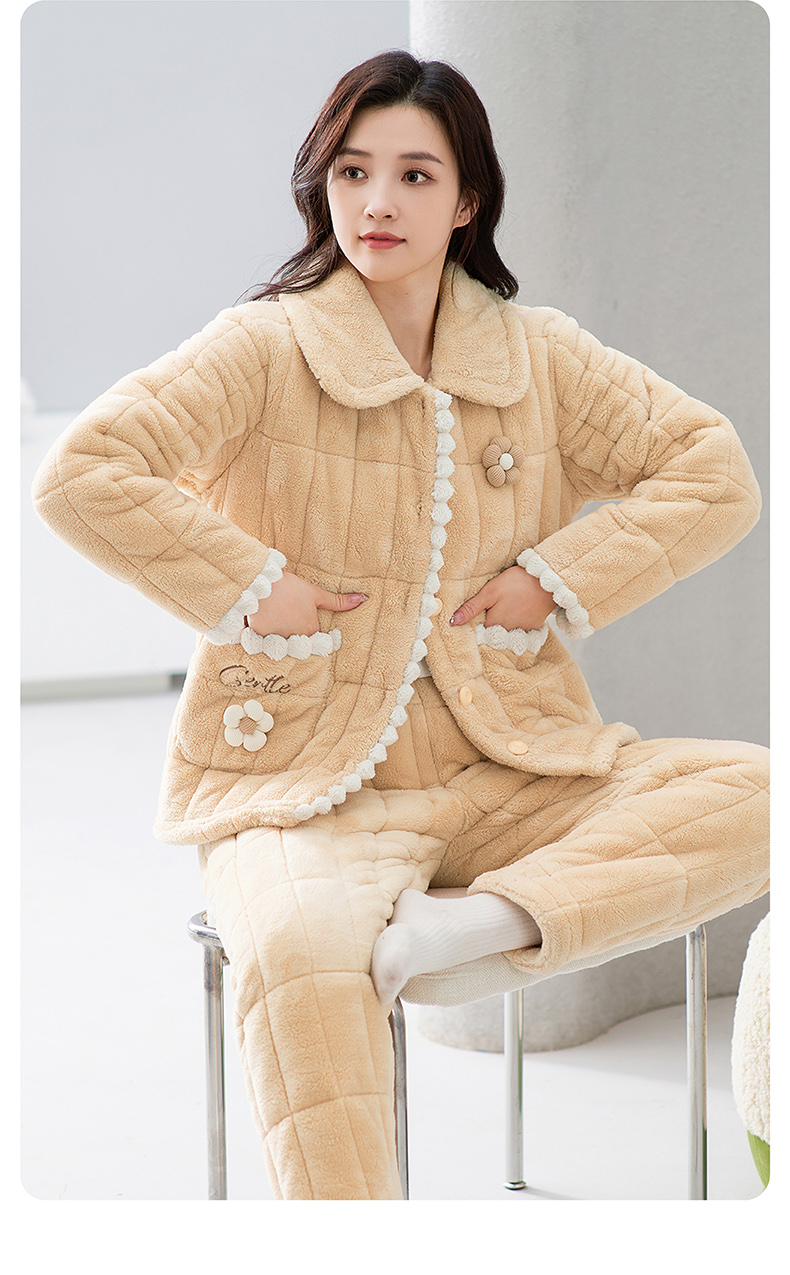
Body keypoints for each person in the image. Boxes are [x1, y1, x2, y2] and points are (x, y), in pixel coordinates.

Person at [32, 49, 769, 1201]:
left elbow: (711, 472)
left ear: (466, 200)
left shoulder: (536, 356)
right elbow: (84, 472)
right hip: (301, 785)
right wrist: (252, 586)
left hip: (512, 765)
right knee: (297, 959)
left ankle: (480, 924)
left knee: (762, 793)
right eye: (353, 171)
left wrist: (552, 578)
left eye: (415, 176)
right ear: (322, 184)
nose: (377, 202)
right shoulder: (263, 346)